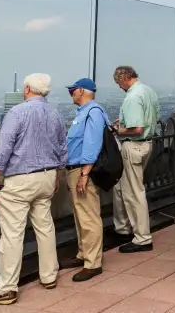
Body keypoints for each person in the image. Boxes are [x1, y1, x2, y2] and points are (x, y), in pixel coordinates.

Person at [0, 73, 68, 306]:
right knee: (45, 227)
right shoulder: (54, 113)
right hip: (47, 176)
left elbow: (4, 147)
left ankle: (7, 288)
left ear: (27, 89)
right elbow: (62, 147)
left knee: (12, 234)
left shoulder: (17, 112)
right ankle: (49, 276)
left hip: (21, 180)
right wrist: (57, 174)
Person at [62, 78, 109, 281]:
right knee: (80, 215)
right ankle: (83, 253)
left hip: (83, 170)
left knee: (88, 216)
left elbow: (92, 144)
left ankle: (93, 262)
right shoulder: (84, 112)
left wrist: (84, 174)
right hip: (75, 169)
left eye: (72, 90)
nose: (71, 93)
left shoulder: (93, 112)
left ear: (82, 90)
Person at [111, 65, 160, 253]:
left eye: (118, 83)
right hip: (147, 145)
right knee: (123, 188)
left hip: (134, 145)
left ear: (124, 78)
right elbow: (153, 119)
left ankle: (142, 238)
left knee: (134, 193)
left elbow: (137, 129)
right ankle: (123, 227)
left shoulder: (132, 96)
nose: (119, 87)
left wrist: (118, 130)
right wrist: (124, 120)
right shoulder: (149, 91)